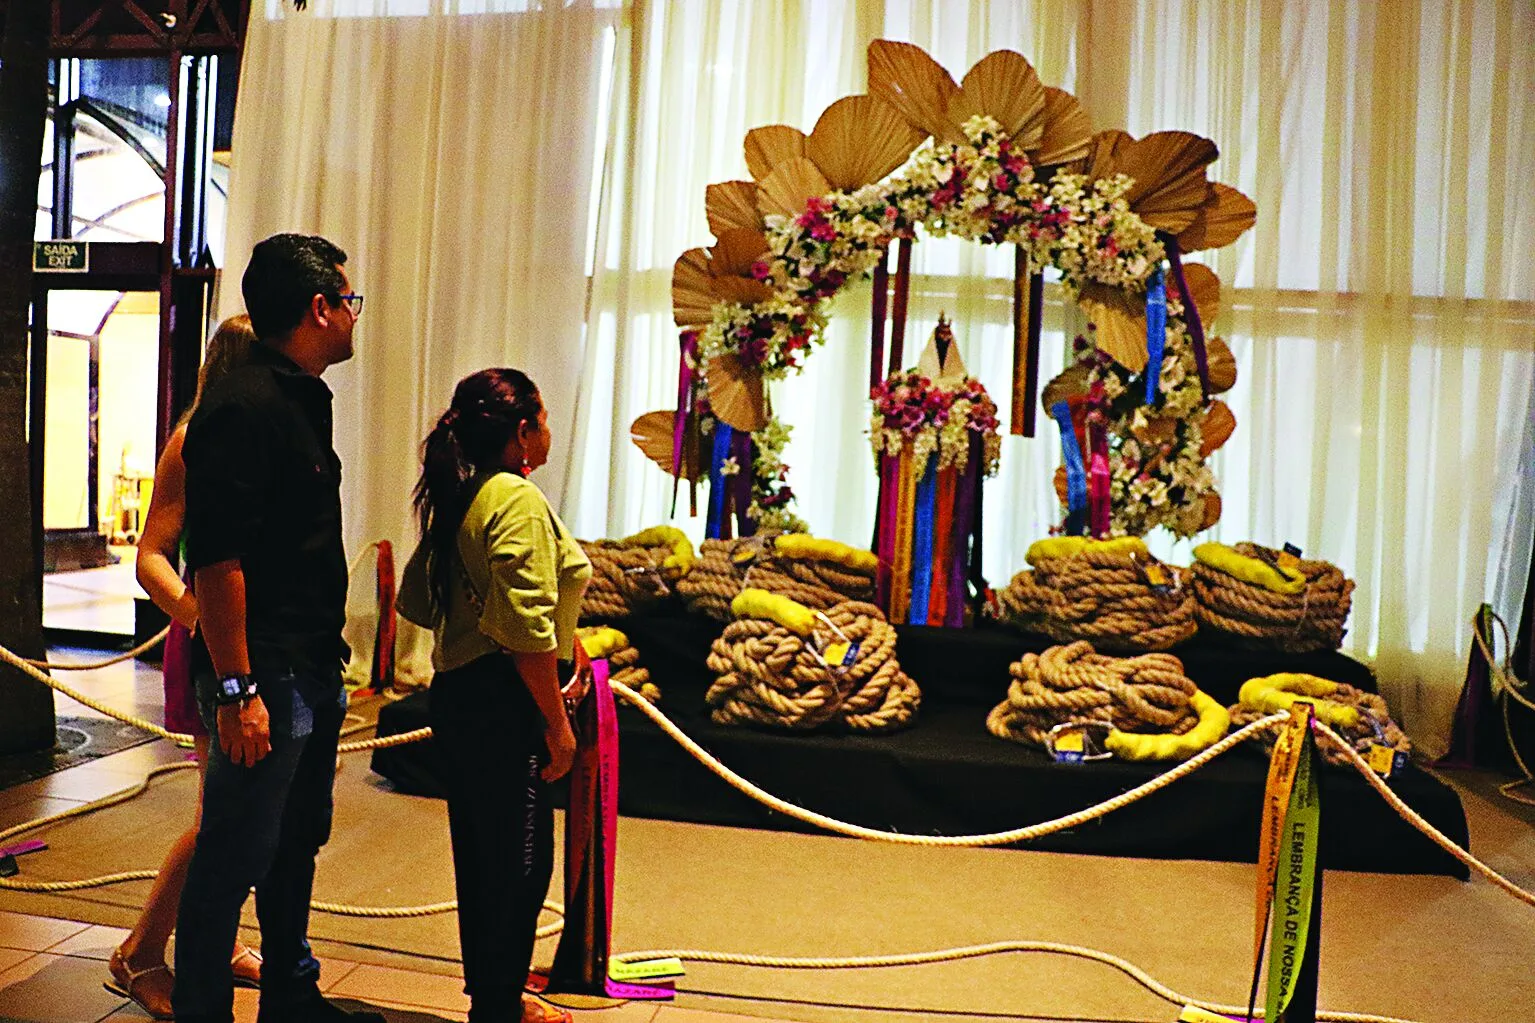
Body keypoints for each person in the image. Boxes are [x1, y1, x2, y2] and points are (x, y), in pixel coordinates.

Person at [171, 233, 383, 1023]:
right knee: (232, 854)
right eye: (349, 300)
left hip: (307, 665)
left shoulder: (297, 396)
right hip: (268, 673)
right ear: (319, 307)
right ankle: (204, 1011)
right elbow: (216, 560)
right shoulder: (243, 406)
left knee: (295, 842)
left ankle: (290, 994)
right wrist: (237, 688)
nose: (356, 316)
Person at [397, 369, 588, 1023]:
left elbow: (416, 598)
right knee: (522, 860)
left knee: (480, 854)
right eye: (543, 417)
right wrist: (556, 722)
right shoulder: (515, 498)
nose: (549, 430)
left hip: (456, 691)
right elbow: (525, 629)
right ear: (522, 432)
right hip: (505, 697)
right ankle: (500, 1004)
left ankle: (494, 993)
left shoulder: (463, 490)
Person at [105, 316, 262, 1018]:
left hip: (256, 645)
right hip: (209, 642)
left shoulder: (265, 438)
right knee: (219, 813)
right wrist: (200, 615)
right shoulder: (191, 440)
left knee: (246, 807)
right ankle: (139, 951)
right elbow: (152, 555)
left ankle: (215, 933)